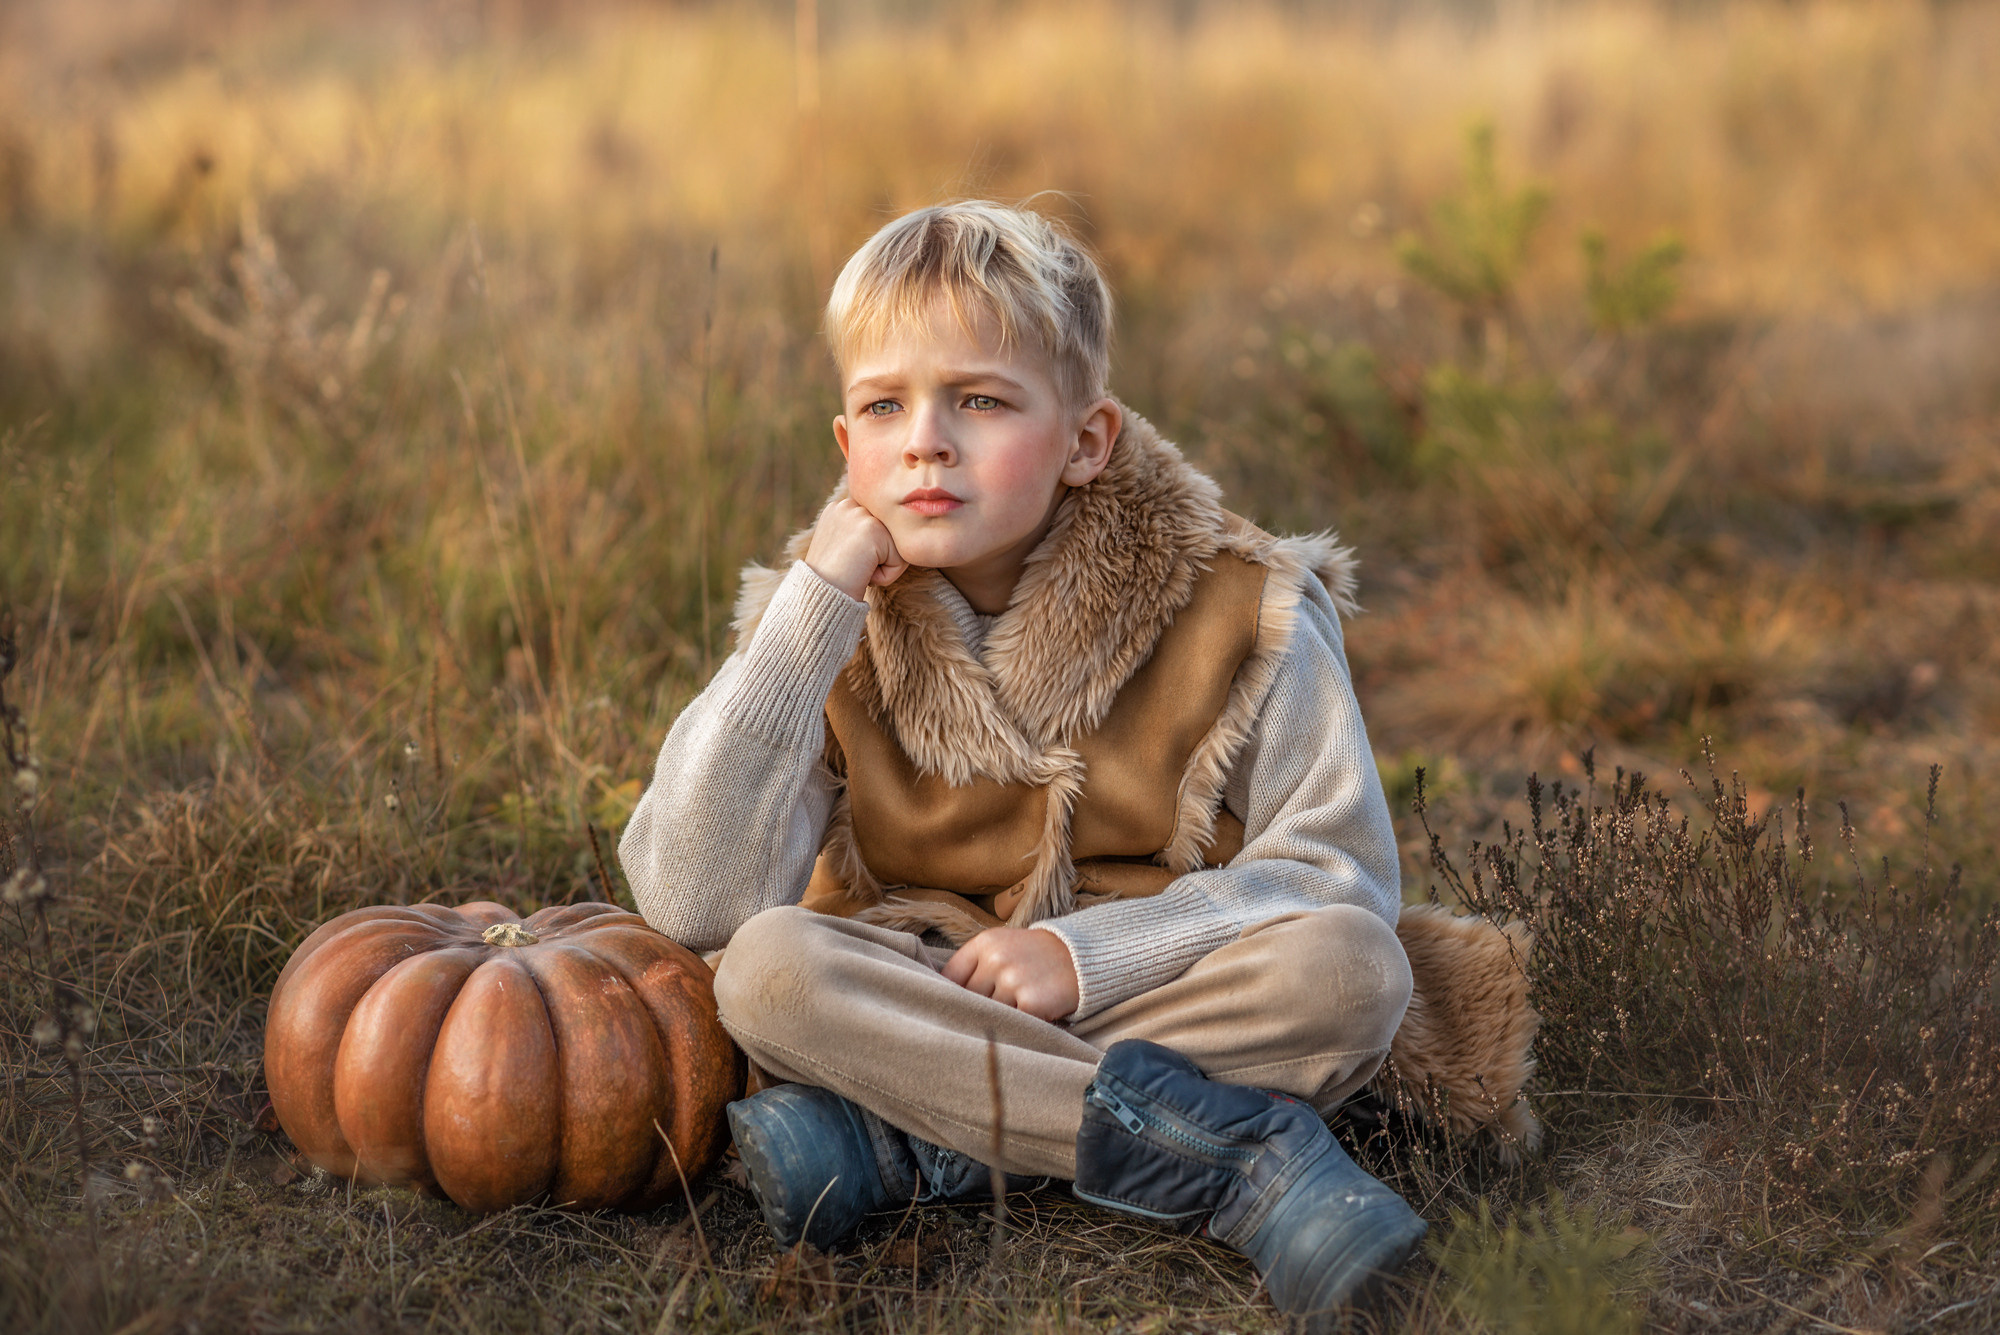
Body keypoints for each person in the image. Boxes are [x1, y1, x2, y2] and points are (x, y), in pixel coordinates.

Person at [619, 200, 1454, 1327]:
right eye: (884, 406)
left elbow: (1336, 870)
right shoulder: (819, 625)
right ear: (845, 446)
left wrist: (1081, 954)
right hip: (921, 978)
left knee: (1353, 971)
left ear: (1085, 440)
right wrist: (808, 608)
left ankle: (914, 1145)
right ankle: (1236, 1161)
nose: (924, 439)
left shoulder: (1242, 606)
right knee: (767, 970)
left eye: (979, 399)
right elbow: (688, 901)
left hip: (1162, 981)